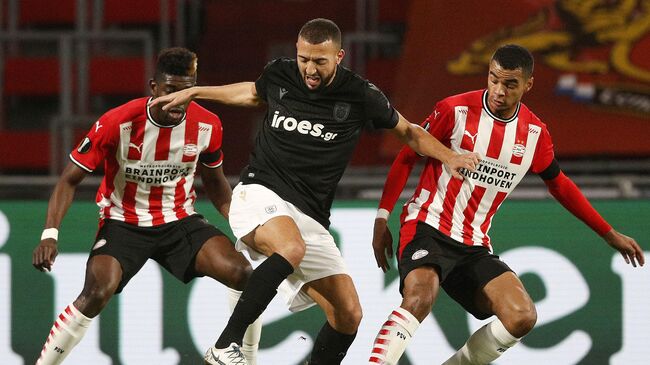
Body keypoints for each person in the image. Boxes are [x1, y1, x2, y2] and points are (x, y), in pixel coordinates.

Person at [150, 18, 479, 365]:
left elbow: (409, 132)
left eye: (319, 61)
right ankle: (224, 345)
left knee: (348, 313)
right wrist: (195, 91)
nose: (309, 68)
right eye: (304, 58)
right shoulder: (280, 74)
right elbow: (251, 93)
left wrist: (449, 156)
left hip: (309, 216)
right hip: (259, 192)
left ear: (339, 56)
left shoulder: (359, 94)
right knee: (291, 246)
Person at [367, 44, 645, 365]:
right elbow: (406, 156)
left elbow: (561, 186)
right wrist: (381, 216)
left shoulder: (535, 134)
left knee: (521, 316)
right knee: (420, 295)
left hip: (473, 244)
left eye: (510, 84)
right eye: (493, 79)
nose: (499, 90)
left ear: (528, 85)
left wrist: (608, 233)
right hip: (427, 225)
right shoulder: (454, 110)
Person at [32, 47, 261, 365]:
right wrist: (50, 233)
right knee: (97, 292)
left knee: (244, 274)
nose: (177, 101)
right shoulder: (118, 122)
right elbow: (69, 179)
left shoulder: (208, 125)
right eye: (170, 91)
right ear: (154, 87)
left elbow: (217, 184)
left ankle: (246, 359)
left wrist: (245, 225)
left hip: (179, 219)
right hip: (123, 221)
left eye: (186, 92)